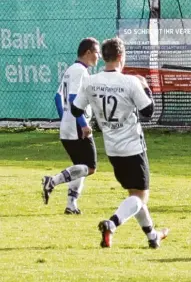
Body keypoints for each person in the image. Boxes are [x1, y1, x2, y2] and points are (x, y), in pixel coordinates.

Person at [71, 37, 168, 249]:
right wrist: (145, 87)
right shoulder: (130, 82)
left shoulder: (90, 81)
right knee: (140, 197)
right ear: (121, 57)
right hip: (132, 147)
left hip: (112, 148)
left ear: (104, 57)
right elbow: (148, 113)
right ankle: (112, 223)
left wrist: (94, 104)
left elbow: (76, 110)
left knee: (134, 197)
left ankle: (153, 237)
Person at [42, 37, 100, 215]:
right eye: (96, 52)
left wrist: (64, 118)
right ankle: (52, 181)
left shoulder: (70, 70)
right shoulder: (80, 71)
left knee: (79, 167)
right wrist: (82, 123)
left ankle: (71, 205)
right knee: (90, 167)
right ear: (88, 52)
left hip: (68, 125)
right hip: (76, 126)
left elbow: (57, 97)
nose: (98, 57)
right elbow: (74, 99)